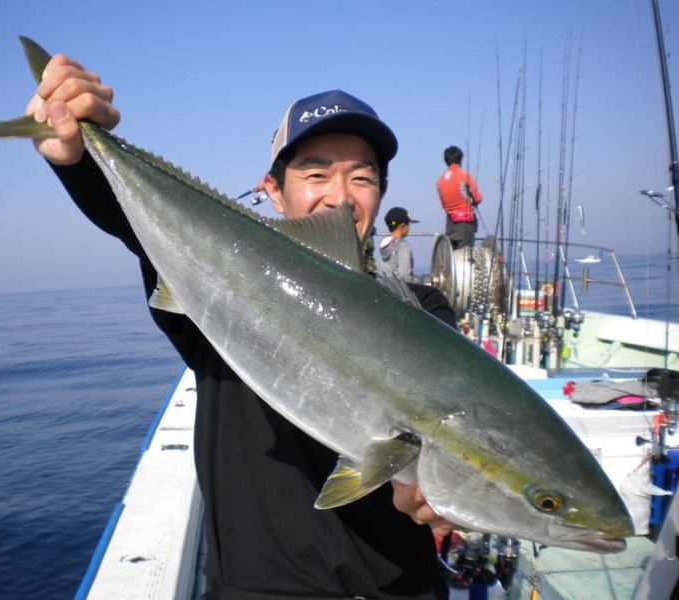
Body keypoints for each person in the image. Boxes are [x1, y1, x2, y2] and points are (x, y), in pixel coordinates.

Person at [27, 52, 456, 599]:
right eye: (316, 173)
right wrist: (77, 154)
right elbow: (128, 219)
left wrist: (421, 491)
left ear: (380, 194)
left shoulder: (424, 311)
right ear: (273, 191)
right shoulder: (219, 284)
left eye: (363, 177)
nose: (341, 196)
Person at [436, 145, 482, 249]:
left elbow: (444, 205)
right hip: (466, 224)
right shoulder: (464, 176)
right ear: (460, 160)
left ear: (446, 161)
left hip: (450, 224)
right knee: (465, 259)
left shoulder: (440, 181)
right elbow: (478, 198)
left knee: (453, 256)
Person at [378, 207, 418, 284]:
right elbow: (404, 276)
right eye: (408, 224)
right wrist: (418, 281)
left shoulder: (384, 245)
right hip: (401, 290)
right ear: (403, 226)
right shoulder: (403, 246)